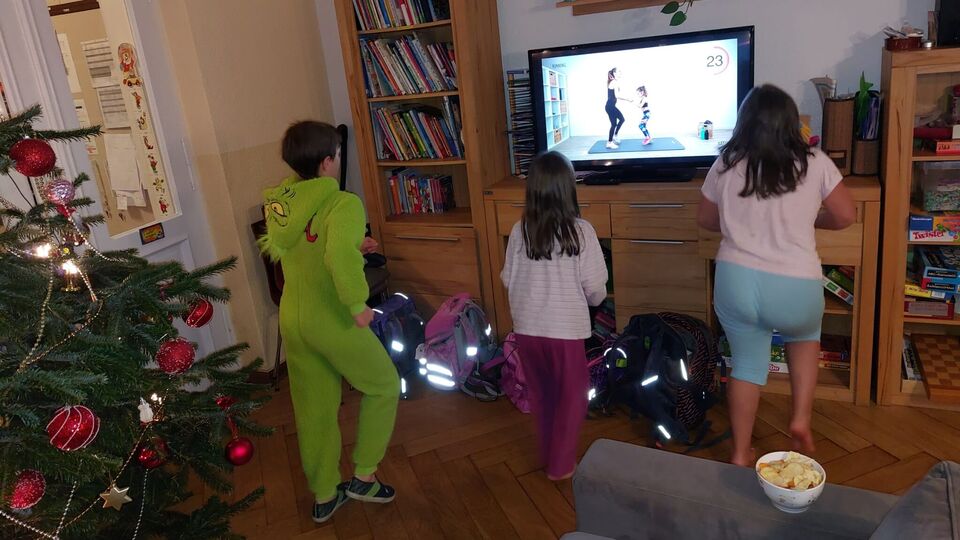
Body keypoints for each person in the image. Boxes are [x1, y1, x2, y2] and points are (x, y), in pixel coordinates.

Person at [696, 85, 856, 467]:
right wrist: (812, 219)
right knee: (804, 339)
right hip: (795, 286)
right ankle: (799, 419)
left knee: (747, 365)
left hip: (736, 281)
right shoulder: (815, 161)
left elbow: (705, 219)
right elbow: (846, 215)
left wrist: (737, 223)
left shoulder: (726, 162)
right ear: (792, 124)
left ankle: (740, 452)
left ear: (744, 123)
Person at [259, 121, 400, 522]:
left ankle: (324, 494)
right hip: (332, 317)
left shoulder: (282, 204)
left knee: (314, 408)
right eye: (337, 154)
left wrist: (355, 245)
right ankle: (364, 476)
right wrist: (357, 304)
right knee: (384, 385)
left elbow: (312, 249)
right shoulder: (343, 203)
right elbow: (337, 258)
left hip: (293, 319)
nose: (339, 160)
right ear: (326, 162)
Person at [501, 151, 608, 480]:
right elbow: (596, 288)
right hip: (564, 333)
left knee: (543, 393)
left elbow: (507, 278)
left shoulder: (520, 230)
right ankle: (561, 465)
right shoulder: (582, 231)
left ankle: (549, 452)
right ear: (568, 189)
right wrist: (593, 302)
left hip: (527, 330)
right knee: (573, 396)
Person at [604, 68, 631, 149]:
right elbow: (617, 96)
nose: (620, 72)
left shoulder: (614, 82)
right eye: (619, 71)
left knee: (621, 120)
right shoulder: (614, 82)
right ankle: (610, 142)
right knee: (614, 124)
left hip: (611, 106)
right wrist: (628, 99)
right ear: (614, 73)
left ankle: (614, 137)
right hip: (610, 107)